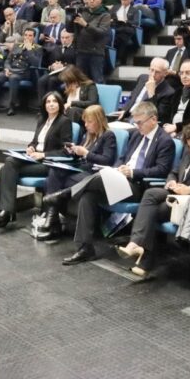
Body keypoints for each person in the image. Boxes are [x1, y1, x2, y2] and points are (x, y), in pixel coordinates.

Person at [53, 101, 176, 265]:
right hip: (120, 180)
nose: (136, 125)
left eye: (140, 122)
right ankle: (85, 248)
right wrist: (118, 168)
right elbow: (122, 158)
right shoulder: (136, 135)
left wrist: (132, 172)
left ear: (153, 120)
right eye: (135, 122)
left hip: (138, 186)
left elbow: (161, 170)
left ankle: (65, 194)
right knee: (89, 195)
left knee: (100, 177)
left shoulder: (165, 141)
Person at [117, 120, 190, 278]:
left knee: (152, 211)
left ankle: (142, 257)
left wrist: (189, 189)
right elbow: (174, 171)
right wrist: (172, 181)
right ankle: (136, 245)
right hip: (175, 193)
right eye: (189, 146)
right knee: (150, 194)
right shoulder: (188, 151)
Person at [0, 91, 72, 228]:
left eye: (54, 101)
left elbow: (66, 151)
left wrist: (44, 154)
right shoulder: (42, 119)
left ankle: (6, 213)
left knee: (6, 168)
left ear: (60, 104)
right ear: (44, 105)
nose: (51, 104)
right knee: (9, 163)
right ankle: (6, 212)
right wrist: (31, 147)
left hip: (48, 163)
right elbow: (35, 141)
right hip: (34, 158)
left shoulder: (64, 122)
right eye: (48, 102)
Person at [38, 104, 117, 240]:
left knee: (56, 179)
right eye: (84, 121)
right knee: (55, 170)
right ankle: (53, 220)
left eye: (89, 121)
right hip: (80, 170)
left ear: (99, 121)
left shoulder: (108, 136)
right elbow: (80, 156)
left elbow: (107, 160)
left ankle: (52, 221)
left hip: (93, 176)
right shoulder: (88, 135)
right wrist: (73, 152)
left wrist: (86, 153)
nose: (85, 125)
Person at [0, 28, 43, 115]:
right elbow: (8, 60)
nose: (27, 37)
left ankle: (12, 106)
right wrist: (7, 69)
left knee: (13, 78)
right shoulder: (17, 45)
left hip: (24, 72)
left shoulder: (38, 48)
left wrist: (29, 50)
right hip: (10, 69)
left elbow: (36, 63)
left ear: (34, 37)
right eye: (25, 35)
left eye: (30, 35)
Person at [116, 57, 176, 122]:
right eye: (151, 70)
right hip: (127, 115)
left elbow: (157, 116)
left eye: (157, 72)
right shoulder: (142, 78)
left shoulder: (169, 92)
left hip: (143, 122)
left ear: (165, 73)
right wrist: (125, 110)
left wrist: (151, 93)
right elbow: (132, 97)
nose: (153, 75)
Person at [72, 0, 112, 83]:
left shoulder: (105, 15)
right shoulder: (83, 11)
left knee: (97, 79)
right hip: (81, 50)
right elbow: (72, 30)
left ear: (100, 0)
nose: (91, 1)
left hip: (96, 52)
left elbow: (101, 32)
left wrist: (85, 24)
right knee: (80, 80)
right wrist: (70, 19)